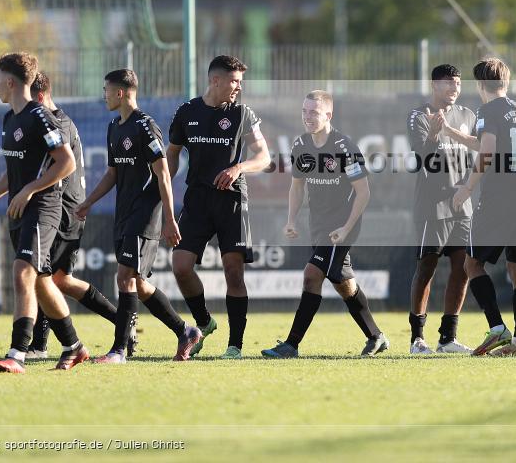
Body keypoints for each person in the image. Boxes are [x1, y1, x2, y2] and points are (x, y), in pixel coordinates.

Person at [0, 52, 88, 372]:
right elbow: (12, 173)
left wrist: (30, 189)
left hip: (43, 209)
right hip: (18, 210)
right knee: (41, 282)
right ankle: (74, 346)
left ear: (10, 81)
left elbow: (66, 162)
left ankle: (17, 354)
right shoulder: (10, 119)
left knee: (22, 272)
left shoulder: (39, 116)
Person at [76, 69, 201, 363]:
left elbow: (164, 176)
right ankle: (186, 331)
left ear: (120, 93)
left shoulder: (146, 127)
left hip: (144, 215)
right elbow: (112, 174)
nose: (103, 95)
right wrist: (88, 202)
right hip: (124, 214)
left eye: (106, 89)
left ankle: (119, 350)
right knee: (139, 283)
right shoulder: (113, 127)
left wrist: (170, 219)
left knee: (124, 277)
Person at [261, 90, 388, 358]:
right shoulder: (300, 145)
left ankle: (291, 345)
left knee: (312, 275)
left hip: (342, 225)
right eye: (304, 111)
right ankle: (376, 336)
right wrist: (291, 219)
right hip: (318, 225)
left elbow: (363, 192)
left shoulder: (344, 147)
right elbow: (297, 186)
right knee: (344, 284)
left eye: (314, 112)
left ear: (328, 115)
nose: (308, 117)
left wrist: (346, 228)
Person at [167, 55, 270, 359]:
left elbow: (264, 157)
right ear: (215, 80)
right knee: (181, 267)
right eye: (234, 81)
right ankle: (204, 322)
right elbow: (172, 154)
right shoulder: (187, 112)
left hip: (232, 200)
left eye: (240, 81)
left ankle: (235, 346)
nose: (239, 87)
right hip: (197, 200)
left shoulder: (242, 114)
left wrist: (239, 168)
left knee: (233, 272)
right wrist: (163, 187)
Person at [25, 73, 130, 359]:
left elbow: (61, 169)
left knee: (44, 275)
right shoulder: (57, 120)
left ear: (38, 96)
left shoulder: (55, 123)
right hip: (63, 210)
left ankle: (40, 345)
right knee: (54, 278)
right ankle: (122, 323)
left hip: (63, 211)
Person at [451, 57, 516, 357]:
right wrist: (451, 133)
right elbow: (490, 143)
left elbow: (487, 151)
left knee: (472, 264)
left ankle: (497, 327)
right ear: (506, 82)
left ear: (480, 85)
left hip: (498, 196)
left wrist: (467, 187)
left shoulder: (486, 109)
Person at [405, 64, 476, 354]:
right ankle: (417, 339)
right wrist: (434, 135)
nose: (454, 88)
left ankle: (447, 337)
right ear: (434, 85)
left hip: (462, 205)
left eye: (457, 83)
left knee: (463, 269)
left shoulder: (468, 115)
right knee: (427, 268)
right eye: (448, 83)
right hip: (432, 207)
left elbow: (481, 150)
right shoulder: (418, 116)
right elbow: (422, 158)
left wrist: (468, 188)